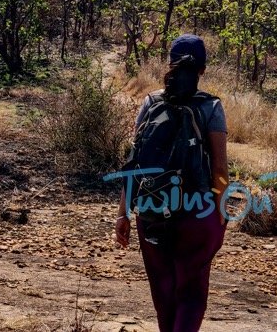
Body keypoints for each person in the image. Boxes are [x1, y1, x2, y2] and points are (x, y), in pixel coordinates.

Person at [114, 34, 229, 332]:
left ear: (169, 64)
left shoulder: (151, 102)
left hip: (152, 210)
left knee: (164, 295)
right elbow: (219, 167)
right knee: (191, 295)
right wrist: (220, 213)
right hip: (197, 211)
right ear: (203, 69)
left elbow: (133, 160)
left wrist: (123, 214)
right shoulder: (212, 107)